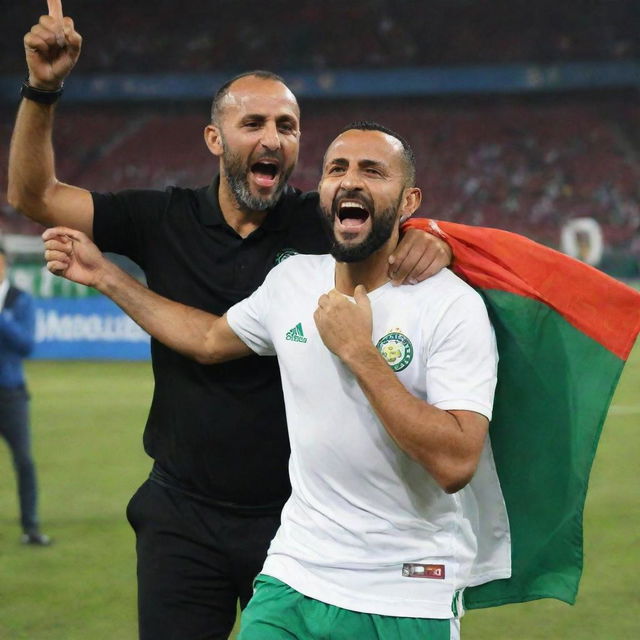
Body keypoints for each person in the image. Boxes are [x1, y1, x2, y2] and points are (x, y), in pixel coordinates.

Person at [8, 3, 452, 637]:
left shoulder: (322, 224)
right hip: (181, 512)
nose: (273, 138)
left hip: (302, 520)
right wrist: (43, 88)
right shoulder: (161, 218)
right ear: (216, 140)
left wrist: (434, 235)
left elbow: (393, 215)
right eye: (253, 123)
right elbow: (32, 195)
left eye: (288, 125)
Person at [43, 122, 510, 640]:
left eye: (372, 171)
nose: (349, 181)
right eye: (337, 169)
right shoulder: (292, 281)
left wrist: (359, 352)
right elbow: (207, 339)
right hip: (295, 573)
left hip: (403, 588)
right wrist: (107, 276)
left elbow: (455, 462)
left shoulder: (451, 307)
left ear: (408, 201)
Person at [0, 241, 51, 547]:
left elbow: (26, 344)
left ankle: (30, 527)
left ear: (5, 265)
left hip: (10, 393)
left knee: (24, 461)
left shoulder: (20, 301)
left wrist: (1, 318)